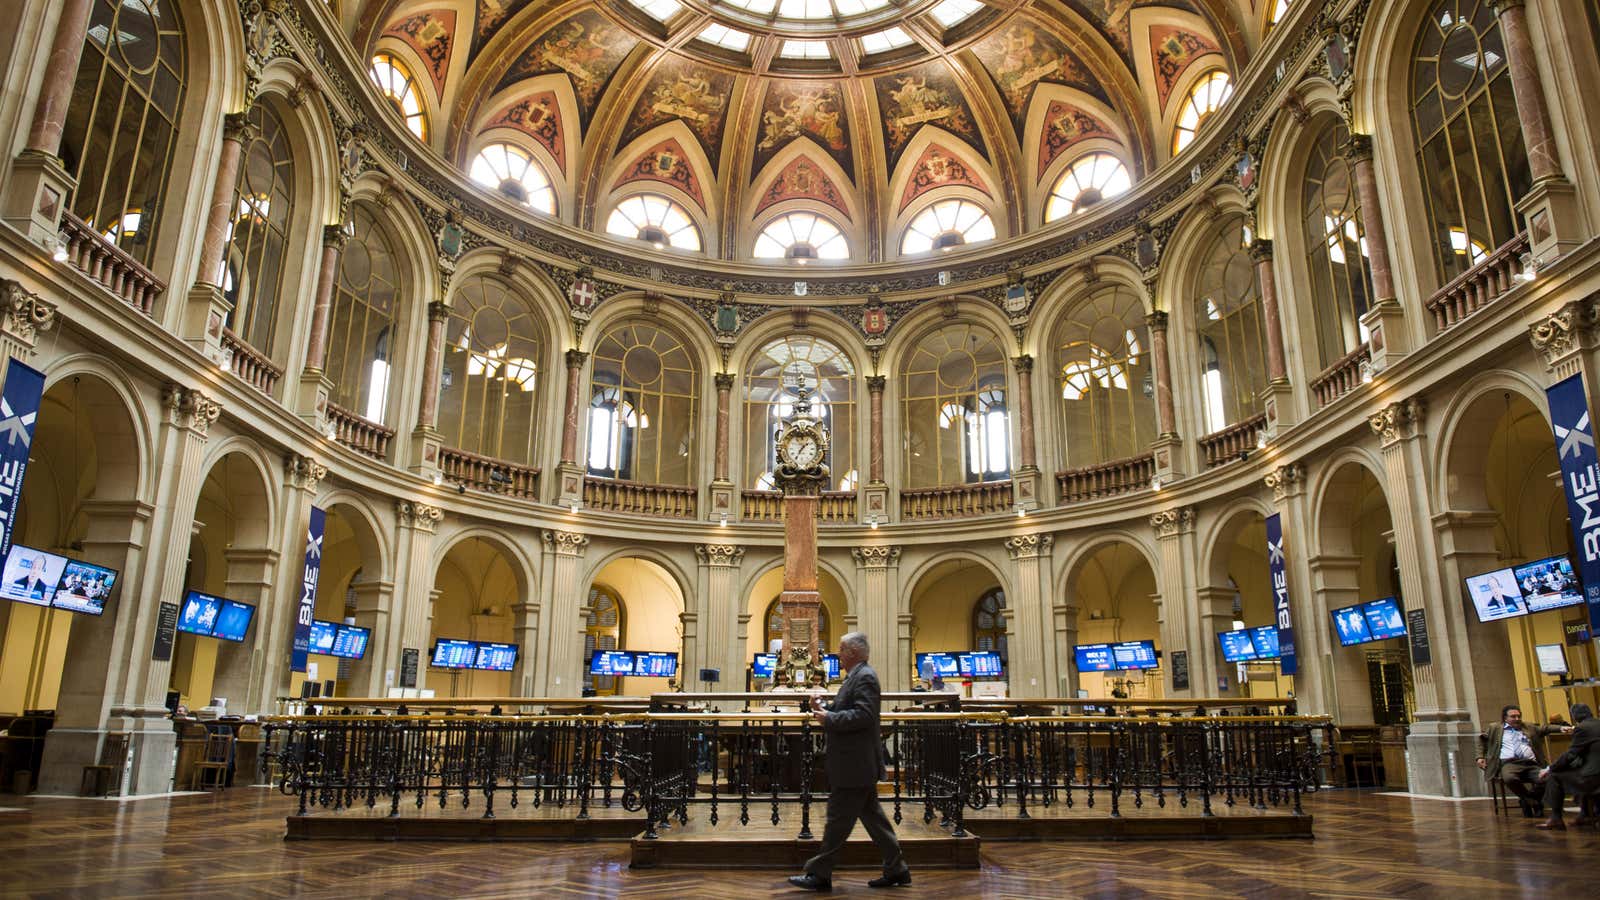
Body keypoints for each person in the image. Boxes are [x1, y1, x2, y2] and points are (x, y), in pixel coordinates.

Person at [788, 632, 910, 892]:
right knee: (874, 820)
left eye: (842, 649)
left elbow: (864, 716)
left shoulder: (865, 676)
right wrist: (824, 707)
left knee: (837, 820)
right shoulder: (856, 676)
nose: (838, 654)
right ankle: (897, 868)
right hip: (856, 763)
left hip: (855, 764)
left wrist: (829, 719)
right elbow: (849, 708)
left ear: (853, 652)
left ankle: (819, 873)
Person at [1477, 704, 1563, 817]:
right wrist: (1479, 757)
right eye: (1513, 716)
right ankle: (1533, 802)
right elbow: (1482, 741)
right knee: (1509, 778)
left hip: (1531, 763)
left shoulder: (1528, 726)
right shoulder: (1495, 728)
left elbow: (1545, 728)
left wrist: (1561, 728)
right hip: (1509, 763)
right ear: (1505, 718)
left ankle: (1528, 799)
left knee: (1548, 778)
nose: (1517, 719)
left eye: (1519, 716)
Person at [1537, 703, 1600, 830]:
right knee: (1576, 773)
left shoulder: (1582, 728)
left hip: (1595, 777)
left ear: (1574, 716)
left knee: (1554, 776)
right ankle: (1585, 815)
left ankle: (1556, 819)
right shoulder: (1597, 724)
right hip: (1596, 771)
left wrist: (1550, 768)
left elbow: (1570, 755)